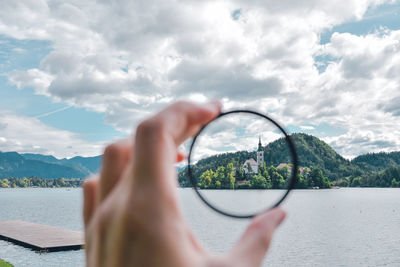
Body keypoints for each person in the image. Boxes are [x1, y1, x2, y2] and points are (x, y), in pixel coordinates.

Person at [82, 100, 286, 267]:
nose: (259, 156)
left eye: (260, 155)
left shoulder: (259, 161)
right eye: (258, 154)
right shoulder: (250, 163)